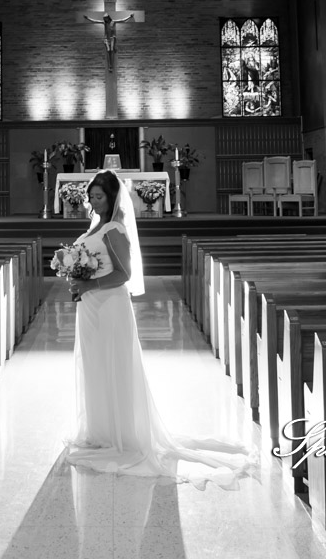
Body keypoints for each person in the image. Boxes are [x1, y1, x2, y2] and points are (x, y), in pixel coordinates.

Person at [64, 169, 256, 487]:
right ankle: (99, 430)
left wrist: (88, 284)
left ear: (112, 197)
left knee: (114, 364)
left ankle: (120, 433)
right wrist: (74, 274)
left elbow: (124, 275)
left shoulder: (114, 229)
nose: (95, 201)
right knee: (95, 364)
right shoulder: (95, 226)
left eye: (100, 196)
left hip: (110, 306)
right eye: (92, 196)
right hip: (91, 307)